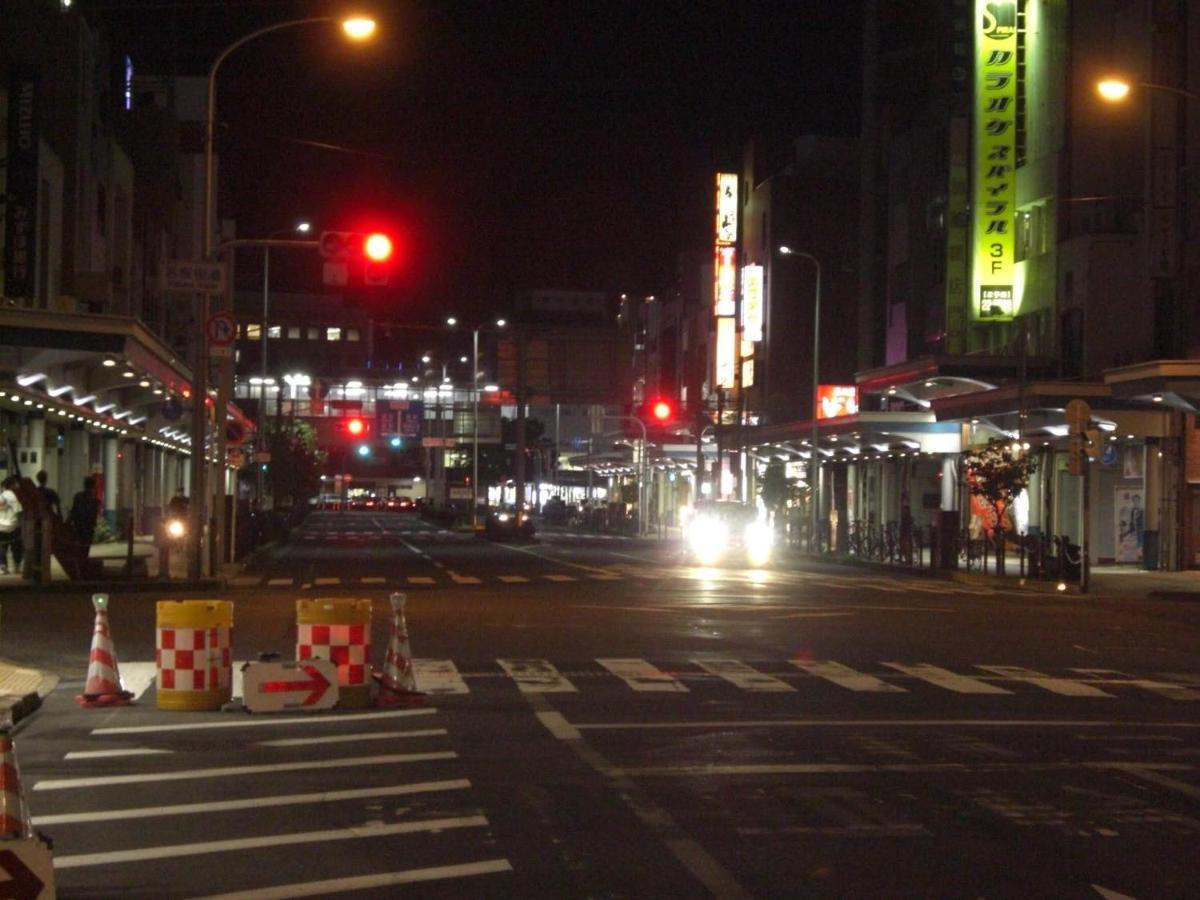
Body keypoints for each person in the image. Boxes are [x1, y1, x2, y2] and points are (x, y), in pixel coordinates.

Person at [68, 475, 102, 553]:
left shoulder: (78, 496)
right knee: (86, 548)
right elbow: (94, 516)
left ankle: (79, 562)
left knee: (78, 548)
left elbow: (73, 512)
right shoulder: (95, 501)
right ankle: (83, 561)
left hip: (78, 527)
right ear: (93, 486)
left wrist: (68, 522)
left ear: (84, 485)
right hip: (88, 529)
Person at [0, 476, 23, 575]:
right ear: (11, 485)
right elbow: (18, 511)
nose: (17, 486)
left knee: (1, 546)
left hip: (1, 524)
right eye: (15, 484)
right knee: (17, 546)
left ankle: (2, 566)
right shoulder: (12, 496)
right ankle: (17, 566)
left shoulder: (2, 495)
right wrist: (22, 524)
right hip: (12, 524)